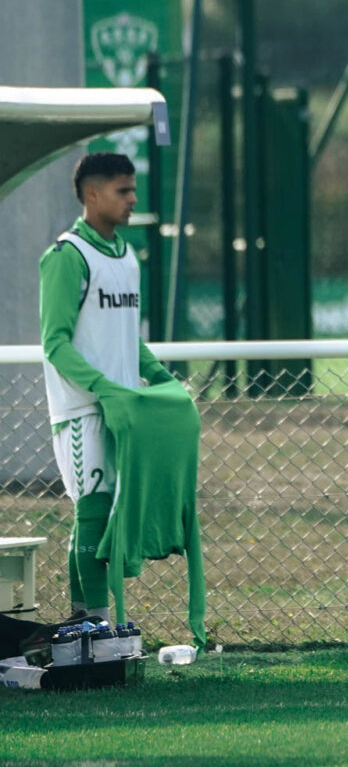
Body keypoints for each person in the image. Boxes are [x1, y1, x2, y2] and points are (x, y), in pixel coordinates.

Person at [39, 152, 178, 622]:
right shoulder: (67, 256)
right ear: (92, 194)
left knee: (106, 523)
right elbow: (54, 344)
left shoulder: (128, 256)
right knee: (95, 516)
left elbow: (126, 338)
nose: (133, 199)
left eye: (133, 189)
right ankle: (96, 631)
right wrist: (102, 388)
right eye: (123, 191)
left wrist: (160, 377)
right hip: (83, 412)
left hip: (124, 412)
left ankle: (85, 627)